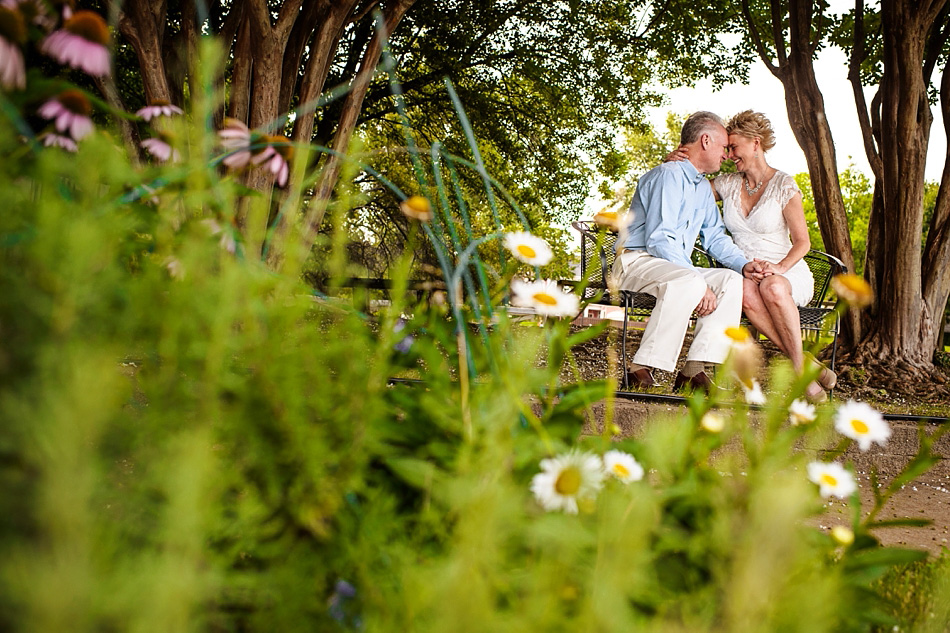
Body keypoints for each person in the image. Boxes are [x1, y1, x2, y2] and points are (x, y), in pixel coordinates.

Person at [665, 110, 836, 401]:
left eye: (734, 147)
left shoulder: (784, 185)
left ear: (755, 143)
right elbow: (688, 190)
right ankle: (803, 362)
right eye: (727, 148)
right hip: (745, 271)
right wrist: (674, 165)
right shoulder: (728, 183)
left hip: (787, 271)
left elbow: (803, 242)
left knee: (772, 287)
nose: (729, 154)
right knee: (744, 290)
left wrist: (780, 268)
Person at [612, 111, 764, 393]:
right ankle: (639, 370)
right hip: (636, 261)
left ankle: (694, 371)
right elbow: (660, 239)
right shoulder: (667, 176)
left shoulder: (703, 190)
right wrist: (699, 281)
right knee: (691, 281)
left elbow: (715, 237)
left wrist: (744, 266)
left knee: (731, 282)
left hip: (669, 267)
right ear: (705, 140)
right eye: (724, 147)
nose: (727, 155)